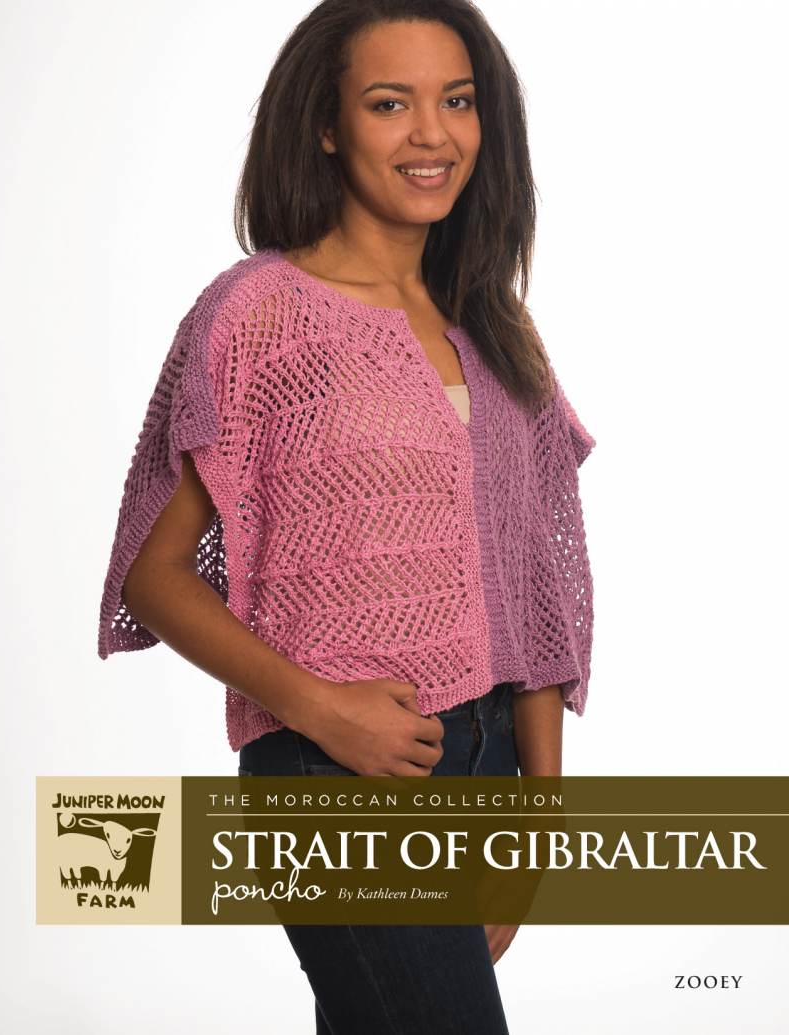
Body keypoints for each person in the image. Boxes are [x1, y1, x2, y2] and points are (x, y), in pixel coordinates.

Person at [97, 2, 596, 1031]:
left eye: (457, 101)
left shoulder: (494, 323)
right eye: (389, 103)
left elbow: (533, 590)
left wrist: (537, 819)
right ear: (326, 125)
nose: (432, 134)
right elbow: (154, 575)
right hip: (333, 769)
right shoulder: (259, 314)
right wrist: (322, 709)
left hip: (487, 766)